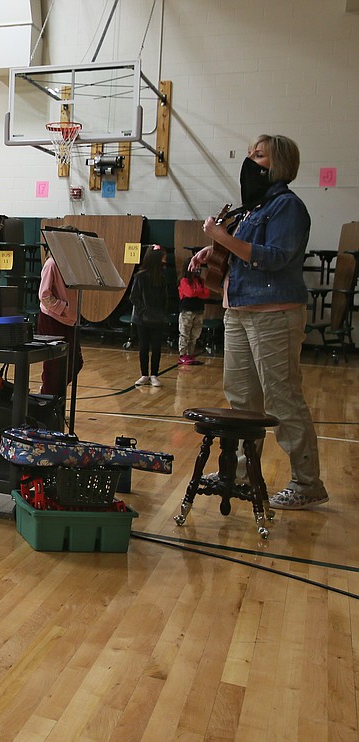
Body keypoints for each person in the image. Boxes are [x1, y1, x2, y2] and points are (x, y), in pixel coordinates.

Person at [190, 133, 328, 510]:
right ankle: (237, 473)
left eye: (260, 155)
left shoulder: (288, 206)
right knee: (241, 398)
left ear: (279, 164)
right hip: (239, 310)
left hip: (274, 314)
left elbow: (274, 257)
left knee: (282, 399)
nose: (250, 162)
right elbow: (244, 250)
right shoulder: (252, 208)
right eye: (250, 154)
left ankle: (307, 482)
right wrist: (214, 248)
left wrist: (221, 235)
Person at [36, 251, 83, 396]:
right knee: (54, 368)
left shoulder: (72, 265)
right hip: (52, 319)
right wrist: (63, 308)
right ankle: (47, 402)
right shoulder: (51, 264)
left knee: (75, 363)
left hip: (69, 320)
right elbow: (44, 295)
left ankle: (52, 397)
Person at [129, 245, 174, 387]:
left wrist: (161, 312)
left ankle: (154, 374)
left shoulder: (161, 277)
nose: (165, 260)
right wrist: (143, 311)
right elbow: (134, 297)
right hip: (142, 319)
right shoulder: (140, 276)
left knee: (156, 346)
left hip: (157, 318)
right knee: (143, 346)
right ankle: (144, 374)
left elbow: (165, 298)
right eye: (162, 257)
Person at [177, 263, 210, 365]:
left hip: (199, 311)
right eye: (196, 266)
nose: (198, 269)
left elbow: (206, 294)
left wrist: (197, 291)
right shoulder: (183, 280)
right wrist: (199, 292)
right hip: (187, 311)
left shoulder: (201, 281)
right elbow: (189, 293)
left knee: (195, 335)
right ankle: (182, 355)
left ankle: (190, 354)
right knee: (184, 333)